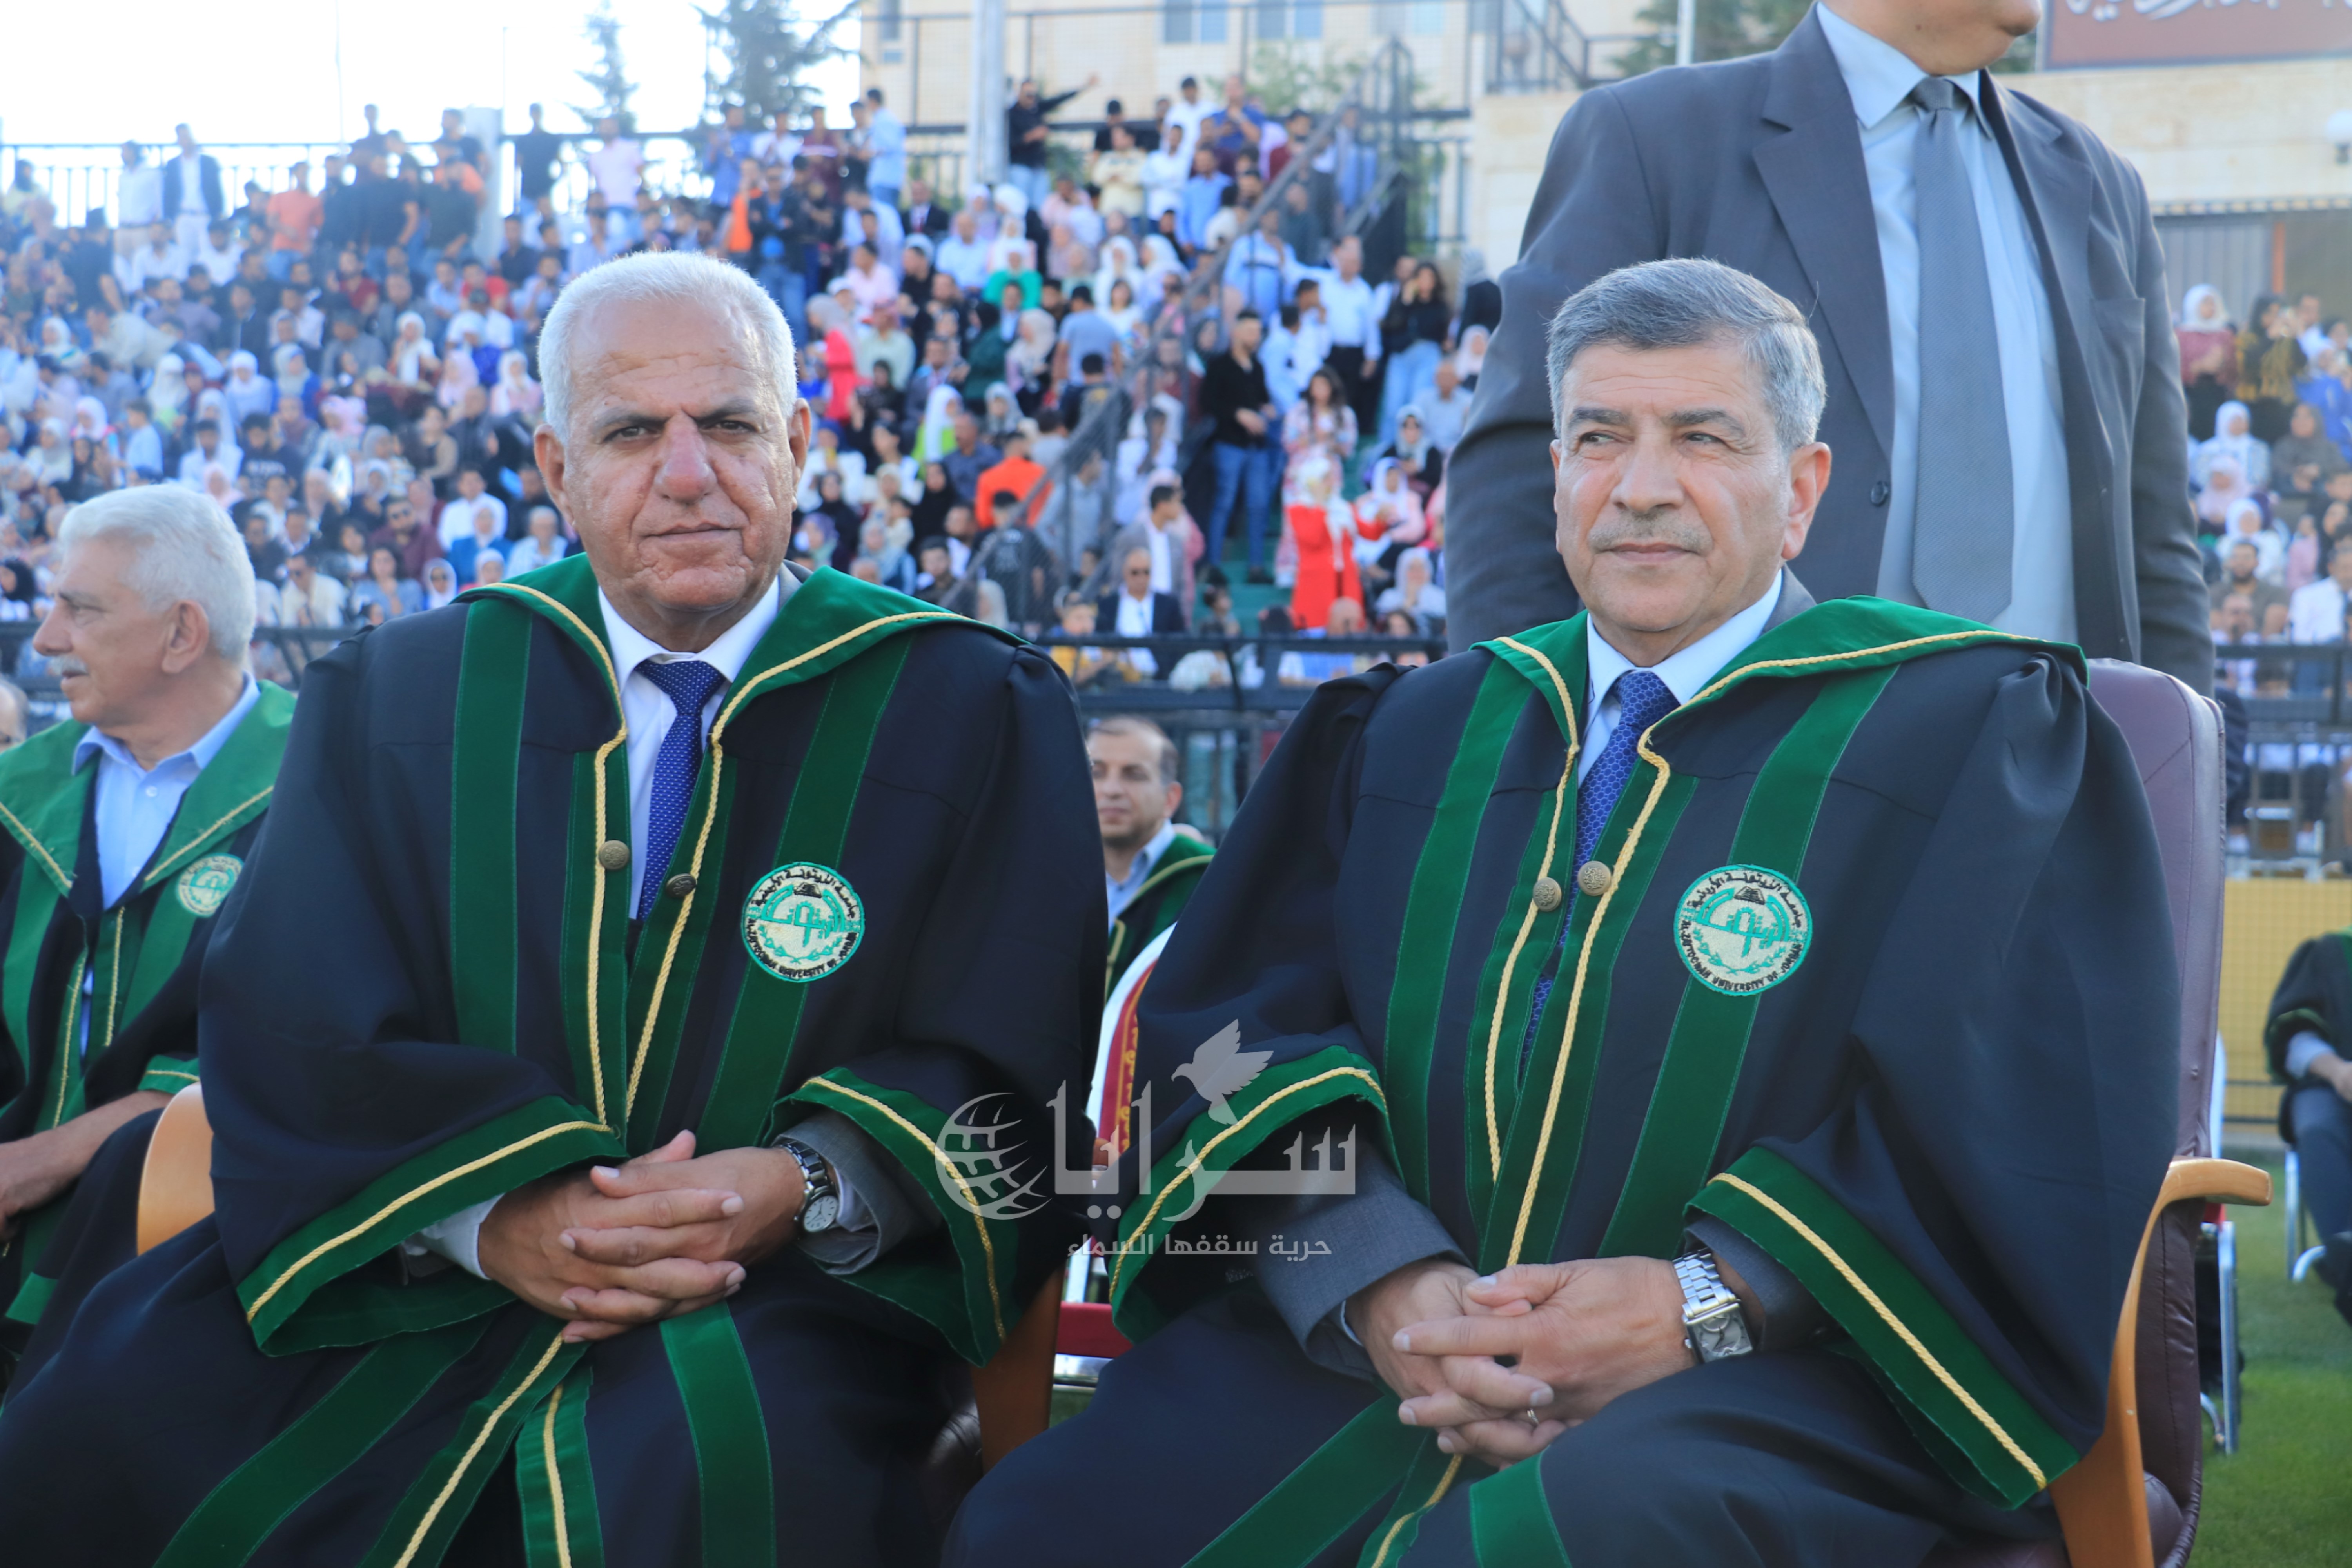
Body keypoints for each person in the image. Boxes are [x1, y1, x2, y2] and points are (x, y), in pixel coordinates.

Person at [951, 257, 2175, 1568]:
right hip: (1378, 1357)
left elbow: (2019, 1119)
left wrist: (1708, 1303)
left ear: (1803, 490)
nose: (1641, 486)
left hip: (1775, 1385)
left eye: (1703, 438)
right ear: (1556, 479)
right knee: (1035, 1530)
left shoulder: (1965, 737)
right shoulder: (1407, 733)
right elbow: (1238, 1044)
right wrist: (1376, 1278)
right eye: (1599, 438)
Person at [0, 251, 1102, 1563]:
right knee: (91, 1433)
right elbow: (293, 1021)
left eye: (732, 424)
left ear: (800, 446)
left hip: (781, 1290)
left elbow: (1012, 1052)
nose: (688, 472)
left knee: (718, 1483)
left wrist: (804, 1179)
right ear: (556, 467)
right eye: (632, 432)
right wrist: (493, 1217)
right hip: (408, 1262)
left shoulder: (968, 705)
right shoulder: (399, 694)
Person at [1443, 0, 2208, 695]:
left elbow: (2154, 528)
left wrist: (2185, 754)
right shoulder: (1656, 139)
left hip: (2056, 760)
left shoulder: (2098, 182)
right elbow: (1523, 466)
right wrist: (1522, 746)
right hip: (1739, 770)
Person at [0, 488, 293, 1372]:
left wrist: (38, 1162)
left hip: (195, 1273)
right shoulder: (18, 792)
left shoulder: (323, 786)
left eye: (80, 609)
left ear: (181, 634)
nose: (45, 638)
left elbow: (299, 1054)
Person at [2262, 932, 2352, 1328]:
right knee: (2319, 1127)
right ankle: (2344, 1254)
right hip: (2332, 1085)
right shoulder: (2333, 951)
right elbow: (2294, 1036)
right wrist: (2339, 1072)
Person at [1091, 716, 1211, 999]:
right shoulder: (1050, 880)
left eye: (1134, 775)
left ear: (1171, 798)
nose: (1111, 790)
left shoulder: (1213, 880)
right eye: (1096, 773)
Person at [1201, 310, 1283, 584]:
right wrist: (1238, 414)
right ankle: (1213, 565)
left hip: (1256, 447)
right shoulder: (1220, 366)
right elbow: (1209, 402)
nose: (1255, 337)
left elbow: (1263, 399)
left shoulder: (1257, 367)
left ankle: (1256, 566)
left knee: (1259, 506)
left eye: (1258, 332)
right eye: (1250, 331)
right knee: (1223, 503)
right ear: (1236, 333)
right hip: (1229, 444)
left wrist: (1265, 410)